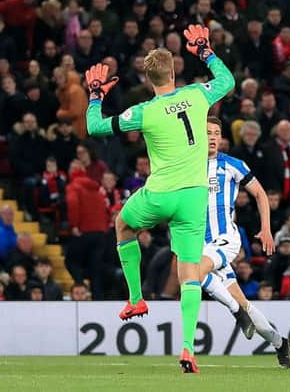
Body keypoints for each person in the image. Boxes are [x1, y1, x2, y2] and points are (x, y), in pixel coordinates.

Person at [85, 24, 234, 373]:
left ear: (148, 77)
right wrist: (205, 51)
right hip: (195, 197)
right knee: (189, 273)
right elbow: (227, 81)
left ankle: (136, 299)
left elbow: (95, 127)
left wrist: (95, 96)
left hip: (160, 193)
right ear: (174, 71)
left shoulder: (144, 111)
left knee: (123, 225)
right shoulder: (198, 95)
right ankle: (187, 349)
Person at [199, 116, 290, 368]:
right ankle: (280, 343)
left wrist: (266, 228)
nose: (211, 136)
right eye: (207, 132)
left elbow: (261, 194)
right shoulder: (188, 166)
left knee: (194, 273)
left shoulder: (232, 165)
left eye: (216, 133)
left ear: (221, 138)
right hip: (199, 242)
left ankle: (236, 312)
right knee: (243, 300)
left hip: (224, 239)